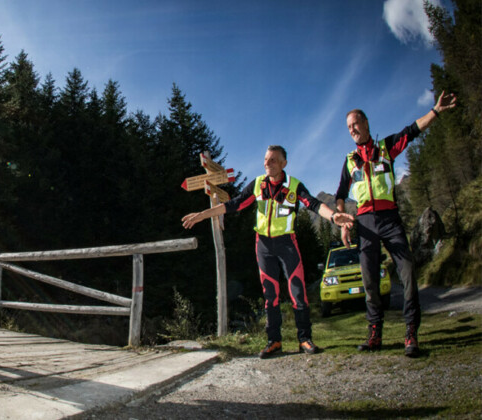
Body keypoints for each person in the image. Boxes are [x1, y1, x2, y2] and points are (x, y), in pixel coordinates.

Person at [183, 145, 354, 359]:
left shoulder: (294, 185)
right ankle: (274, 341)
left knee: (297, 292)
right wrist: (202, 214)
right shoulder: (257, 184)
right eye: (265, 159)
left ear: (283, 164)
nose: (267, 163)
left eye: (273, 160)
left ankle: (304, 338)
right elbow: (234, 204)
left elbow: (313, 204)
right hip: (263, 245)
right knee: (270, 295)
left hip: (287, 244)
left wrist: (333, 217)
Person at [335, 91, 457, 358]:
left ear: (366, 124)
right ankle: (375, 334)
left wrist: (436, 111)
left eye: (355, 124)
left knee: (408, 271)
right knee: (369, 281)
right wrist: (343, 221)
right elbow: (340, 195)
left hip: (390, 219)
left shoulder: (386, 148)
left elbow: (413, 130)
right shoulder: (350, 161)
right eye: (349, 127)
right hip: (365, 224)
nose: (352, 129)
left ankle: (411, 332)